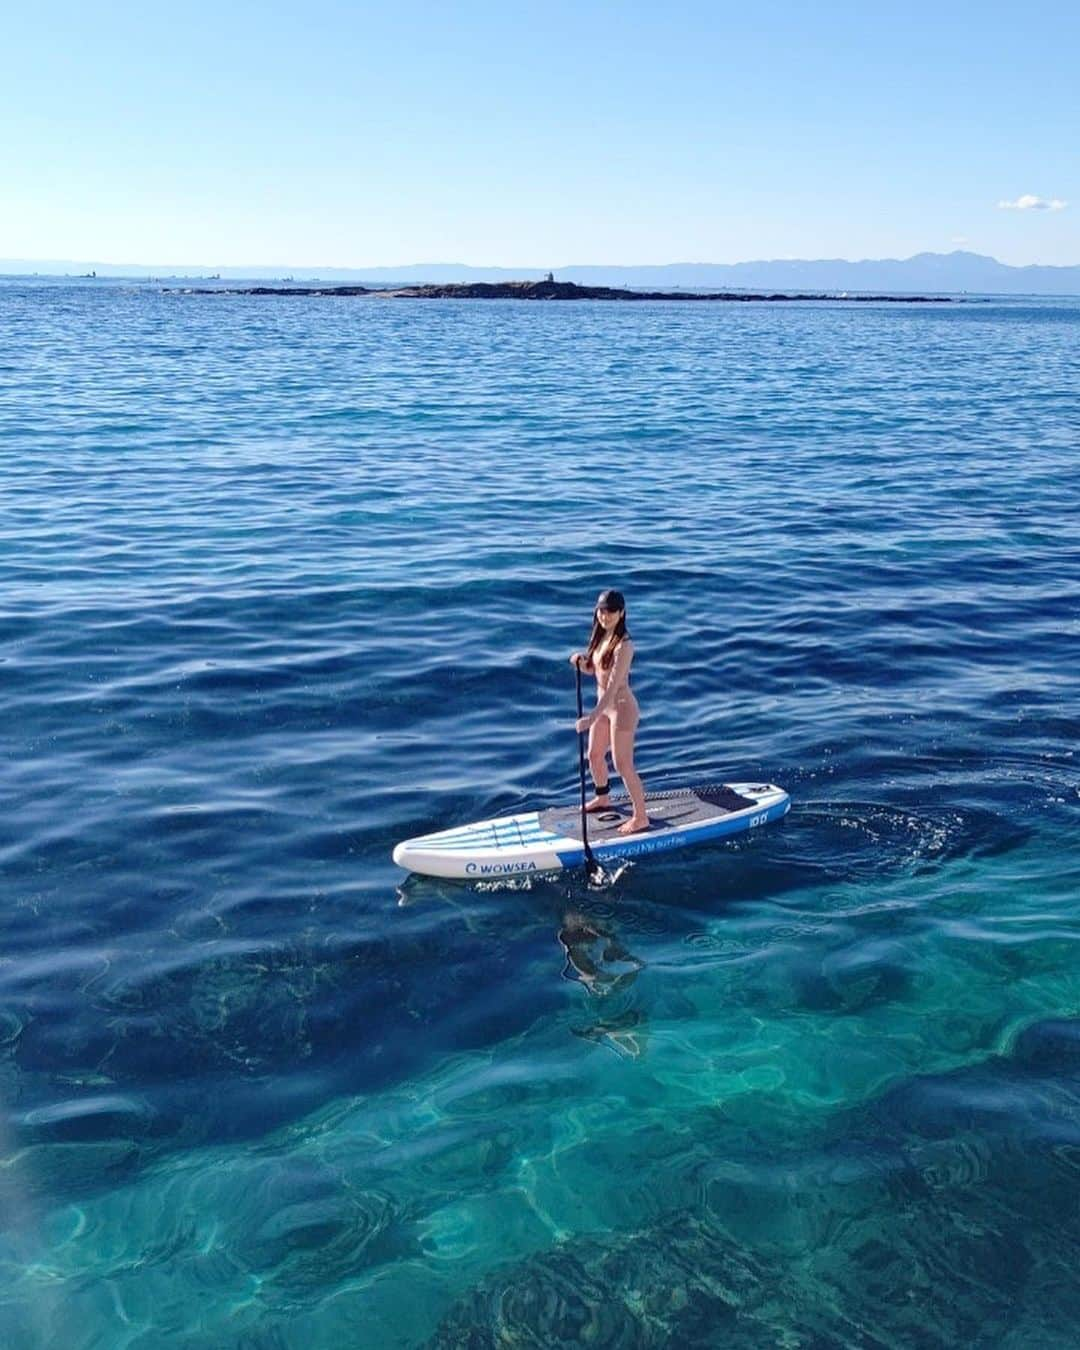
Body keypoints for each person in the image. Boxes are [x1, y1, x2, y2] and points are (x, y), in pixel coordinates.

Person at [569, 589, 649, 835]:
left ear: (621, 613)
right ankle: (603, 798)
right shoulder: (601, 636)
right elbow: (596, 671)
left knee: (622, 764)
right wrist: (581, 663)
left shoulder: (625, 646)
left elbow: (613, 687)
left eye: (611, 611)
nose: (605, 616)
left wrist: (591, 717)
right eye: (601, 610)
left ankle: (641, 817)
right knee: (594, 755)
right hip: (603, 708)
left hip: (622, 709)